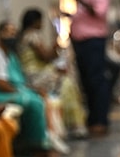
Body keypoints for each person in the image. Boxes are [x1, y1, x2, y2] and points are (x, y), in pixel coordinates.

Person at [0, 20, 62, 155]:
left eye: (14, 33)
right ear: (0, 34)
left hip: (11, 90)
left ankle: (47, 139)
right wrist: (23, 91)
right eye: (8, 32)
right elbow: (1, 84)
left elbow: (19, 80)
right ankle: (36, 145)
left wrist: (29, 89)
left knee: (42, 96)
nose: (12, 36)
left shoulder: (10, 55)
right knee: (31, 101)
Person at [18, 8, 88, 139]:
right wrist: (55, 45)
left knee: (66, 79)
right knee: (67, 83)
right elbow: (45, 56)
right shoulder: (32, 35)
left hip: (34, 73)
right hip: (35, 75)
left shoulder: (25, 35)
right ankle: (73, 126)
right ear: (35, 21)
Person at [69, 0, 112, 137]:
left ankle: (101, 120)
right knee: (86, 82)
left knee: (96, 81)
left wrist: (81, 0)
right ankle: (92, 118)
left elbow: (99, 13)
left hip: (93, 42)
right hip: (80, 42)